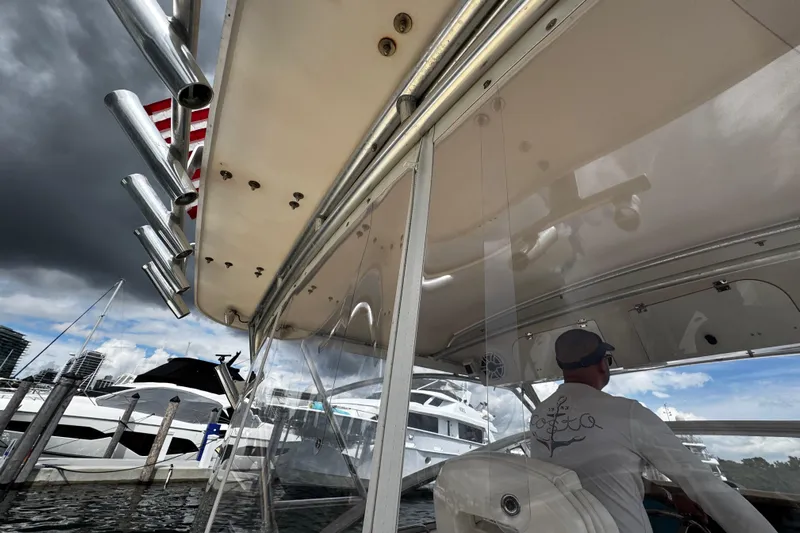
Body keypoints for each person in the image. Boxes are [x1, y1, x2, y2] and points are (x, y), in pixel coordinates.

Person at [527, 328, 776, 533]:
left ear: (562, 366)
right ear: (603, 364)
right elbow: (703, 483)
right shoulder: (627, 412)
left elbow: (596, 473)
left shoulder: (539, 416)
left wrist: (668, 496)